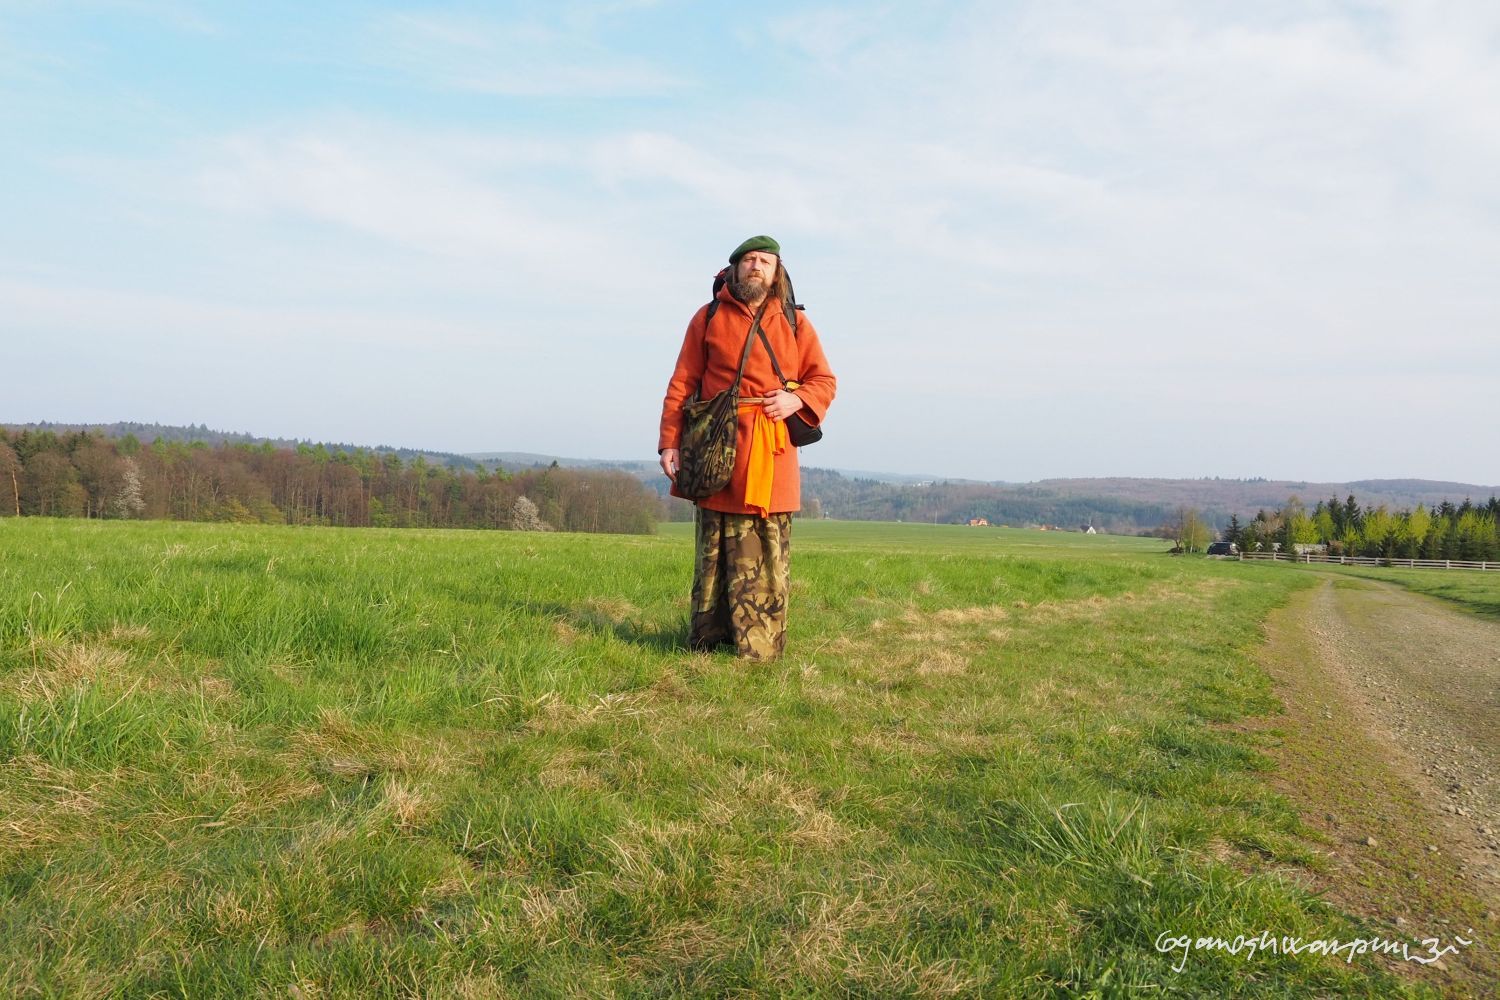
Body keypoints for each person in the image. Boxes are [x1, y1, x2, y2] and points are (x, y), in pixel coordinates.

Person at [658, 235, 837, 660]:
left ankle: (758, 650)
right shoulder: (708, 317)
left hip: (770, 453)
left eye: (765, 262)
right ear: (734, 269)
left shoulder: (796, 323)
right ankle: (708, 641)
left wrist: (796, 399)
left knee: (766, 548)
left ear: (777, 274)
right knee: (714, 545)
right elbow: (682, 382)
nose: (756, 267)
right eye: (749, 260)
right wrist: (670, 442)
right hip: (714, 447)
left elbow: (824, 381)